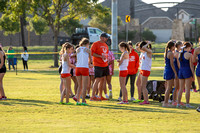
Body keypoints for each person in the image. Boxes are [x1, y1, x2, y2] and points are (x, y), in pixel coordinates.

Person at [90, 33, 109, 101]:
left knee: (103, 80)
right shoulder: (95, 44)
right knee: (97, 79)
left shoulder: (106, 45)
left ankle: (100, 96)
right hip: (98, 64)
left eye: (107, 38)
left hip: (104, 64)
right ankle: (92, 96)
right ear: (101, 37)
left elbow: (106, 54)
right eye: (105, 37)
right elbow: (92, 53)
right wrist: (100, 56)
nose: (106, 39)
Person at [177, 42, 194, 108]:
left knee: (181, 88)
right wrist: (193, 75)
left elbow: (179, 65)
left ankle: (178, 103)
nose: (190, 49)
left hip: (181, 71)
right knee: (187, 89)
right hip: (187, 71)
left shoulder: (179, 54)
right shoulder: (189, 55)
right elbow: (191, 66)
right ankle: (187, 104)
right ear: (188, 47)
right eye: (190, 47)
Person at [75, 38, 92, 106]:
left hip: (78, 68)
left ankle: (78, 100)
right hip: (84, 68)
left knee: (80, 86)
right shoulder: (88, 50)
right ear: (87, 44)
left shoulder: (77, 49)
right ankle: (83, 101)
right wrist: (90, 64)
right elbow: (90, 60)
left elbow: (76, 58)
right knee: (85, 86)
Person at [162, 41, 177, 107]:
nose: (175, 47)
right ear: (172, 46)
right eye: (174, 46)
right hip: (170, 71)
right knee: (169, 88)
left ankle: (166, 102)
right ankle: (165, 103)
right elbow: (172, 64)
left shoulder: (167, 52)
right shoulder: (170, 53)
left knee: (168, 87)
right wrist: (175, 72)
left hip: (167, 70)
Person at [172, 41, 183, 106]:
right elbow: (178, 63)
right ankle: (174, 100)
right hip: (177, 71)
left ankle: (177, 100)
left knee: (178, 87)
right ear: (179, 46)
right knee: (176, 87)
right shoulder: (176, 53)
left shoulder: (177, 52)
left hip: (177, 70)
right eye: (181, 45)